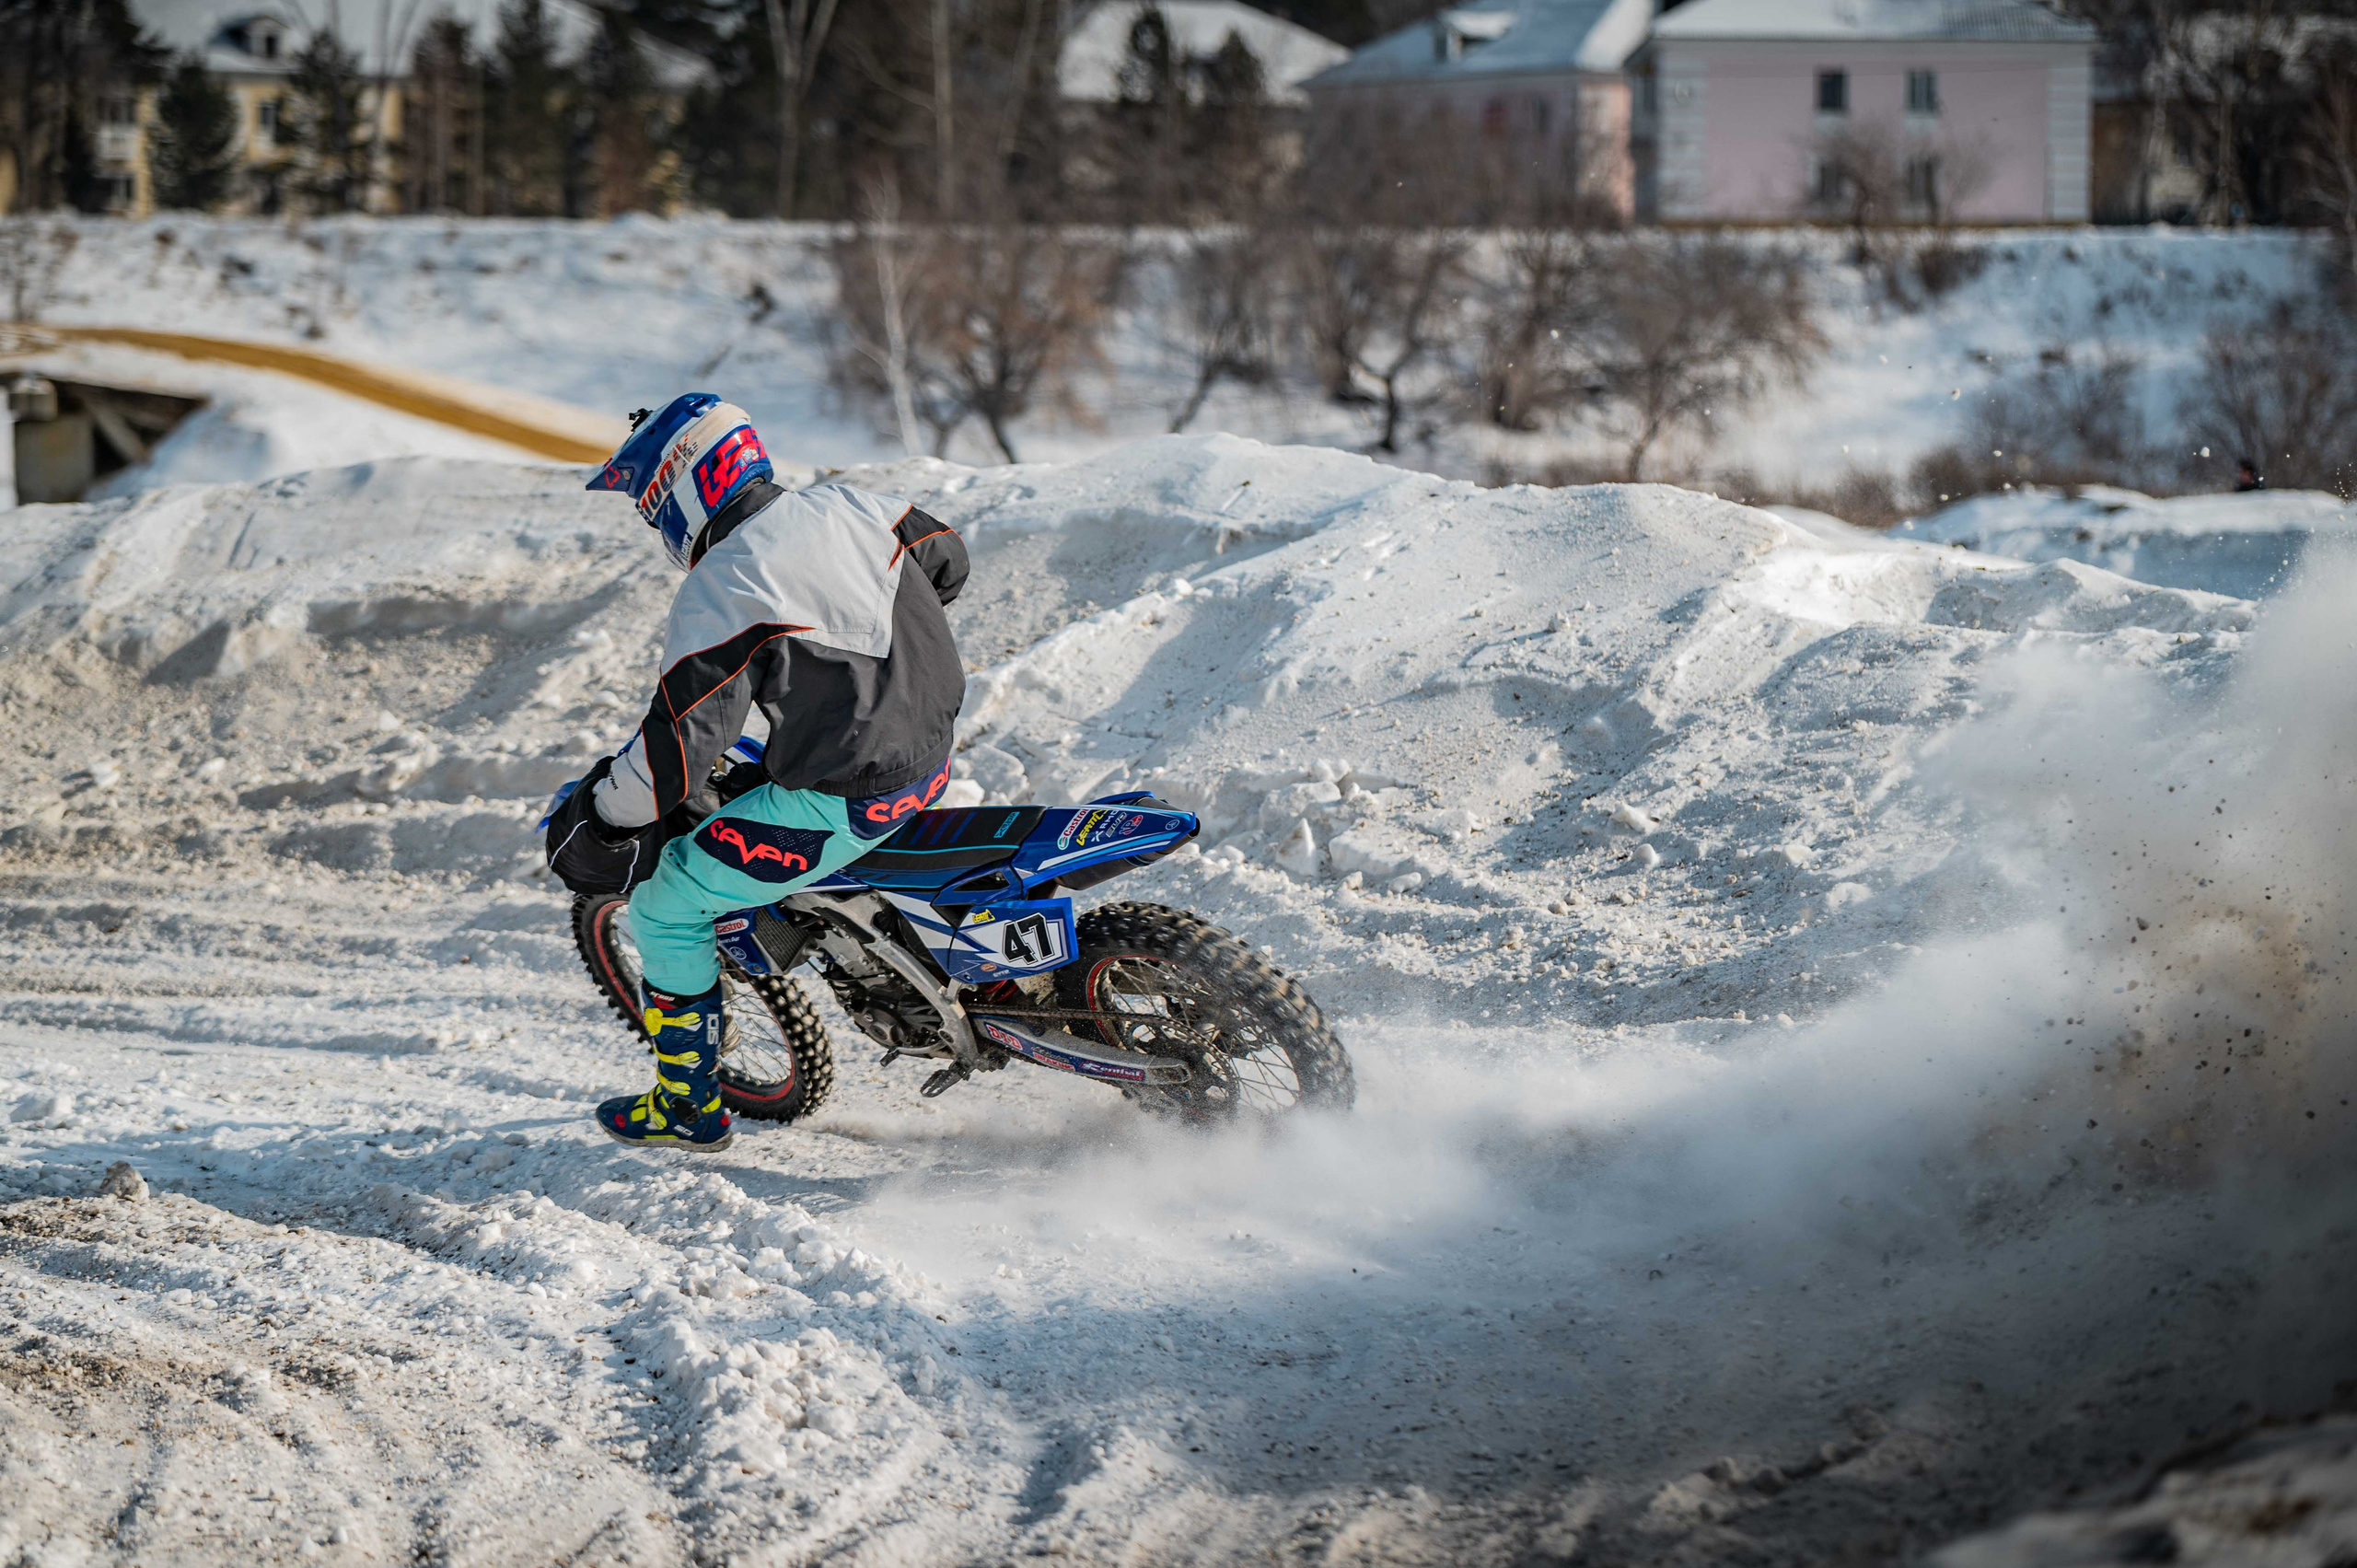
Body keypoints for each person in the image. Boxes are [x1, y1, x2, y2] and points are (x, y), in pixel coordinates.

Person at [547, 393, 968, 1150]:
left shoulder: (724, 586)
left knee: (668, 905)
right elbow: (949, 561)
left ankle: (686, 1109)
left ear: (679, 487)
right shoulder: (861, 506)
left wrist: (605, 818)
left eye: (651, 506)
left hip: (851, 797)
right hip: (935, 749)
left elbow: (677, 755)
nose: (655, 524)